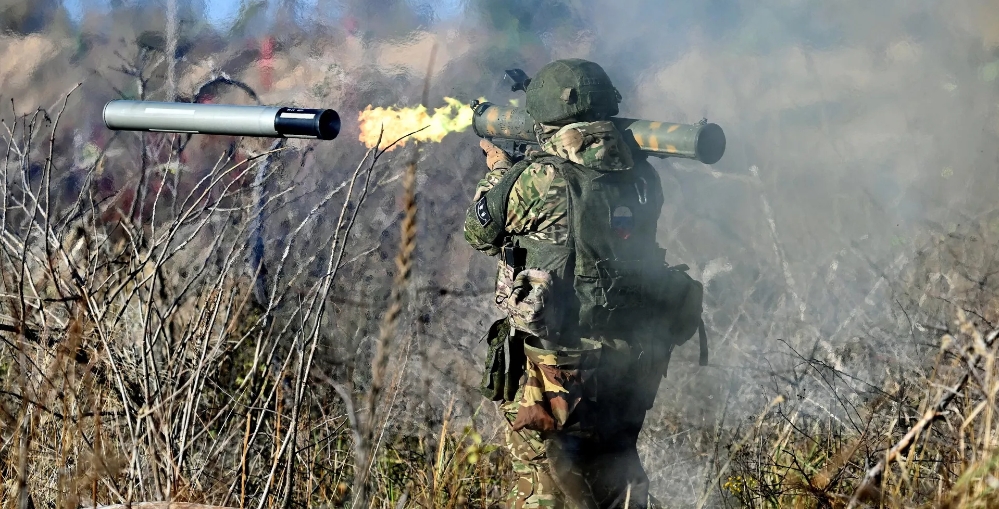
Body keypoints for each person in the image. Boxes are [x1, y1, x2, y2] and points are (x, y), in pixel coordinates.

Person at [464, 58, 704, 509]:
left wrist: (498, 169)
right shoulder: (642, 175)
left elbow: (479, 232)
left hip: (558, 367)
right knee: (617, 472)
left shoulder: (540, 177)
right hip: (632, 357)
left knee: (545, 482)